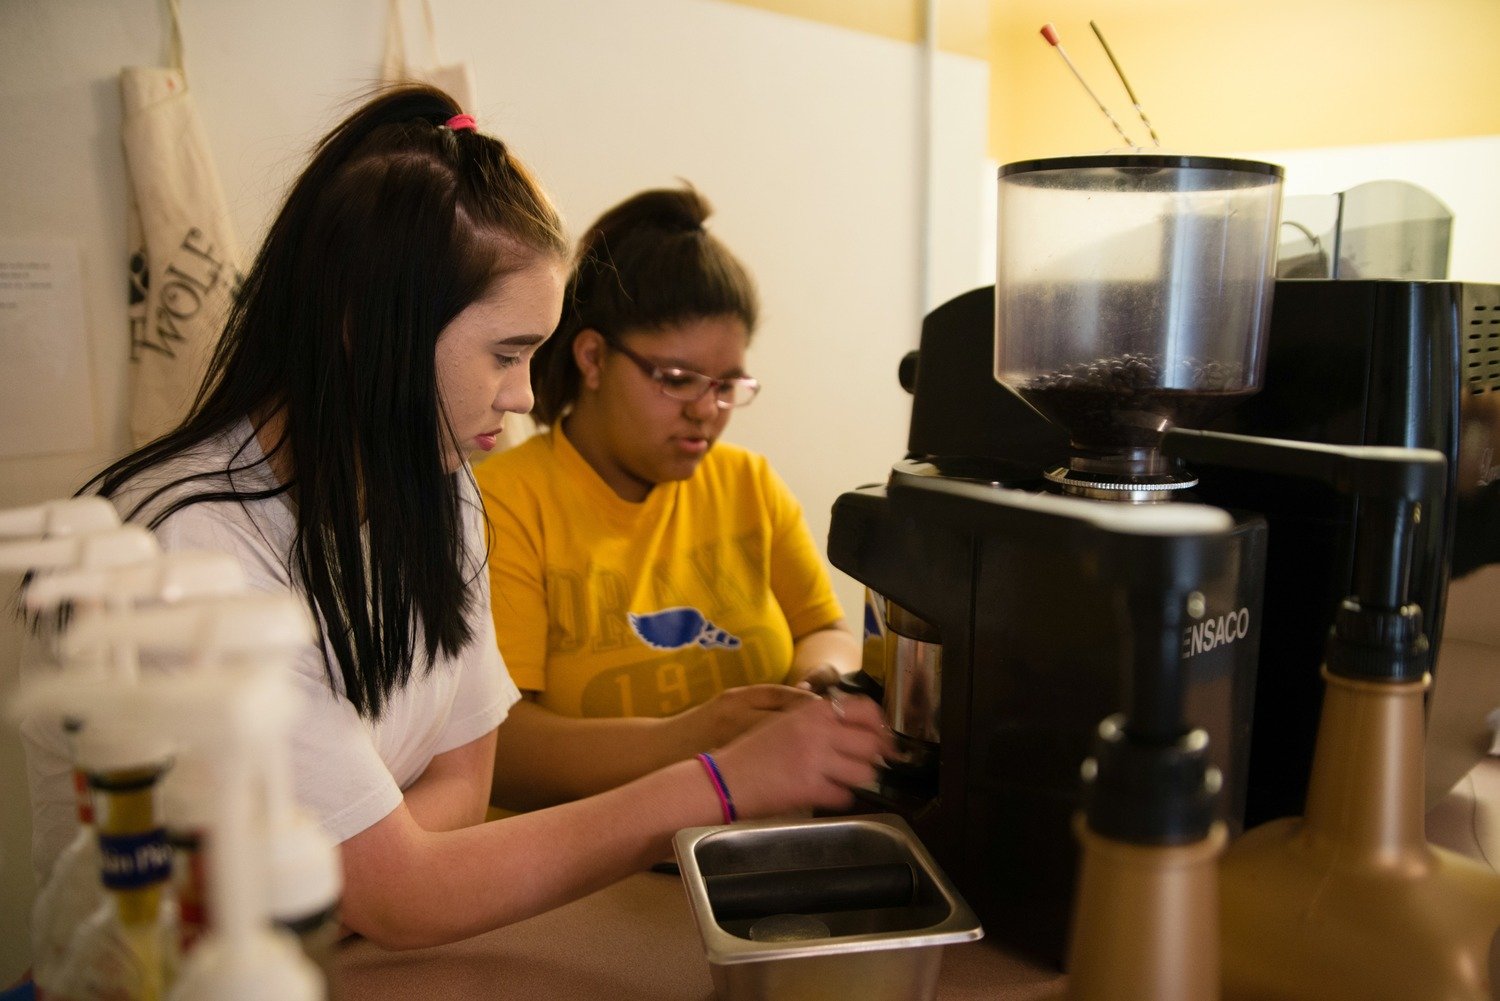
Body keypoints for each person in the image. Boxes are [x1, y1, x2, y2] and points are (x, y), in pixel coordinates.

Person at [21, 85, 890, 951]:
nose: (520, 398)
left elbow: (463, 787)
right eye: (507, 353)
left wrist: (381, 858)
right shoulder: (185, 547)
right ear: (367, 323)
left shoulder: (436, 494)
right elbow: (404, 893)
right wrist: (717, 782)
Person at [476, 186, 862, 812]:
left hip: (748, 840)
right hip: (584, 873)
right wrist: (694, 742)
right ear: (593, 358)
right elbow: (502, 753)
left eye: (728, 385)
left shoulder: (747, 483)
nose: (707, 411)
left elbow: (825, 629)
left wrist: (823, 683)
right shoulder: (506, 503)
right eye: (677, 379)